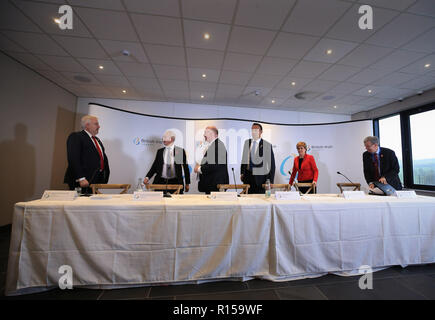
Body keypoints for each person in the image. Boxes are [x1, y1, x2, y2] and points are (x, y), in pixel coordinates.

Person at [64, 115, 110, 194]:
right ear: (87, 125)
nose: (99, 126)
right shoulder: (76, 136)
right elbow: (73, 159)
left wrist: (104, 176)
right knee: (80, 205)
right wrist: (81, 178)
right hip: (82, 181)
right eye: (96, 124)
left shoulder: (97, 140)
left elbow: (102, 158)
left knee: (91, 205)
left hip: (94, 180)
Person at [240, 123, 275, 193]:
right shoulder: (247, 143)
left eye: (256, 130)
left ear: (261, 132)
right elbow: (244, 159)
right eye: (252, 130)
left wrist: (270, 181)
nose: (254, 132)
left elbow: (272, 164)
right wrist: (242, 173)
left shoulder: (267, 145)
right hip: (247, 178)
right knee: (247, 201)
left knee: (259, 201)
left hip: (260, 179)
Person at [194, 126, 229, 194]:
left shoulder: (217, 146)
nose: (204, 135)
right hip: (212, 184)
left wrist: (198, 168)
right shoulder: (214, 145)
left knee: (214, 205)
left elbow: (213, 166)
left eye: (205, 132)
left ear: (212, 134)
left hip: (215, 185)